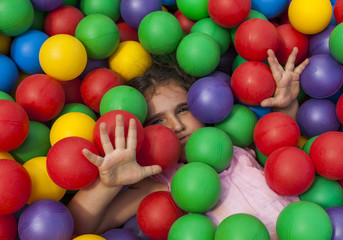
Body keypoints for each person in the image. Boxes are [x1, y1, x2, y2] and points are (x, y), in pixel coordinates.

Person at [67, 47, 309, 239]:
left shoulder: (238, 147)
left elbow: (282, 151)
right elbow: (80, 224)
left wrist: (287, 103)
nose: (176, 125)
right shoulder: (162, 181)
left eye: (182, 110)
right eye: (157, 120)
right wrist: (108, 184)